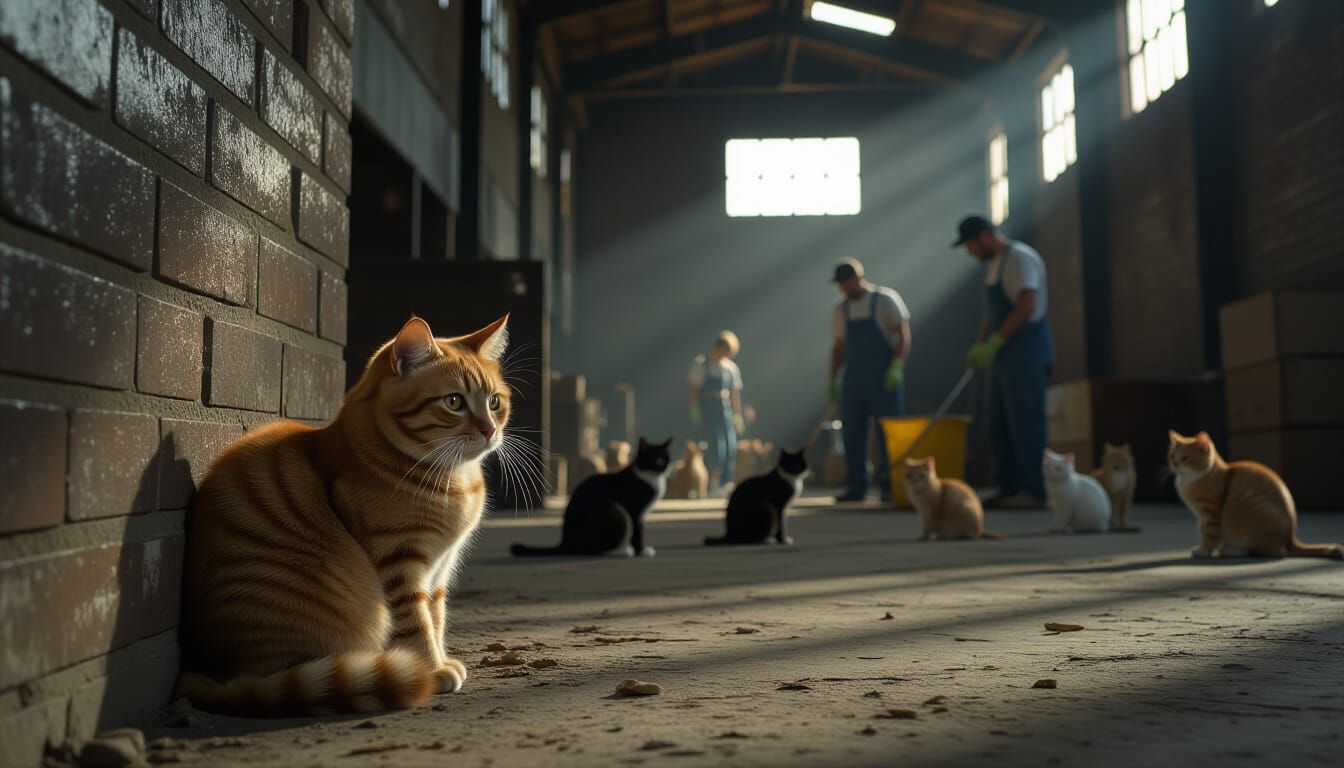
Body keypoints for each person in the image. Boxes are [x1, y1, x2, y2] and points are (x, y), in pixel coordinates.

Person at [954, 215, 1055, 508]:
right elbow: (992, 312)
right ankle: (1008, 487)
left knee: (1026, 423)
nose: (969, 252)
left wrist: (996, 341)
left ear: (985, 236)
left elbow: (1026, 306)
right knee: (998, 425)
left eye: (970, 245)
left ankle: (1033, 490)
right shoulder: (994, 265)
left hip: (1026, 352)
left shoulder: (1019, 258)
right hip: (1003, 357)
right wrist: (981, 343)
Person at [828, 258, 912, 502]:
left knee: (888, 432)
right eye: (840, 285)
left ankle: (889, 484)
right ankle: (856, 485)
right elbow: (839, 347)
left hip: (883, 377)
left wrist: (897, 366)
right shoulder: (840, 309)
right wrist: (833, 379)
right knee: (852, 433)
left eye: (847, 282)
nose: (844, 288)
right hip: (854, 379)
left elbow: (902, 334)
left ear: (858, 278)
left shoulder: (885, 300)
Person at [688, 331, 746, 492]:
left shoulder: (730, 367)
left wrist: (737, 415)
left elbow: (734, 393)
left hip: (725, 409)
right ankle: (712, 481)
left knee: (730, 445)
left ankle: (726, 481)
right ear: (718, 348)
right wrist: (694, 411)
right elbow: (693, 389)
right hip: (708, 409)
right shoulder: (702, 364)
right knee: (715, 445)